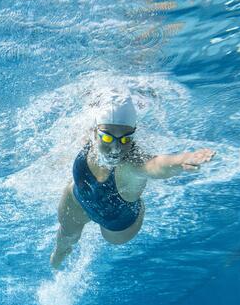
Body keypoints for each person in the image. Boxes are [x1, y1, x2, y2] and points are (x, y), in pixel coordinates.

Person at [50, 94, 215, 268]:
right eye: (107, 138)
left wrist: (182, 160)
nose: (116, 147)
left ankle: (139, 205)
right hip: (77, 201)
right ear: (94, 132)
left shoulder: (131, 165)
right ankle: (55, 265)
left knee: (113, 240)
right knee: (65, 239)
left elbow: (156, 165)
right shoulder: (87, 141)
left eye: (125, 139)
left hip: (118, 222)